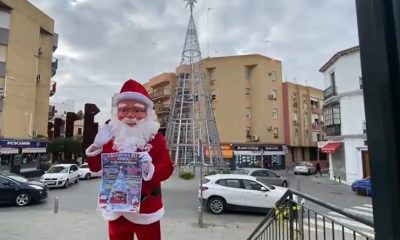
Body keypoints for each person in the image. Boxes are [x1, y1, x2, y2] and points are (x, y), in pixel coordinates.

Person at [85, 79, 174, 240]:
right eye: (124, 110)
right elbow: (94, 168)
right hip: (117, 211)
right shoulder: (111, 139)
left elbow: (167, 169)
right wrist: (97, 145)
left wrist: (150, 168)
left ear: (147, 113)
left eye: (137, 110)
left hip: (146, 211)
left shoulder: (156, 140)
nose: (131, 115)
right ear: (117, 113)